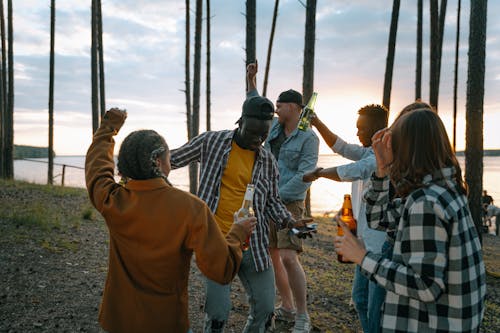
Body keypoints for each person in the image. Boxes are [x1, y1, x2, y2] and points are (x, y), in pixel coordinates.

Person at [85, 108, 256, 333]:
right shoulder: (191, 209)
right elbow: (221, 270)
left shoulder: (112, 200)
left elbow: (97, 170)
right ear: (157, 161)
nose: (170, 163)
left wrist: (108, 128)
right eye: (168, 157)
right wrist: (237, 232)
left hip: (118, 319)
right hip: (165, 321)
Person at [170, 92, 311, 333]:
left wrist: (291, 222)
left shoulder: (268, 161)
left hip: (252, 245)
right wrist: (140, 169)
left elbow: (273, 203)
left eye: (263, 136)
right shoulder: (212, 142)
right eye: (253, 133)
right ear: (240, 122)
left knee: (266, 311)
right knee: (217, 315)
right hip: (214, 242)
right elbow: (171, 159)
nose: (258, 140)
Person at [336, 108, 486, 332]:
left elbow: (425, 286)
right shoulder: (444, 188)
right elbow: (380, 219)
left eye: (395, 141)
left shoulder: (426, 202)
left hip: (436, 323)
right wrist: (381, 169)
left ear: (408, 148)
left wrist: (362, 257)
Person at [246, 62, 319, 332]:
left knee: (289, 256)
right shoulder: (274, 128)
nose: (276, 107)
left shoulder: (308, 139)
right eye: (276, 104)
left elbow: (305, 174)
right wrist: (251, 79)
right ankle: (286, 307)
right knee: (273, 255)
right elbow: (255, 103)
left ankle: (302, 315)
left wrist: (274, 196)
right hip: (267, 202)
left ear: (295, 108)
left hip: (290, 203)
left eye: (281, 104)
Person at [302, 104, 389, 333]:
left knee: (375, 308)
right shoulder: (369, 150)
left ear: (378, 128)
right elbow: (340, 146)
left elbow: (354, 170)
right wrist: (317, 122)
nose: (357, 132)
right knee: (360, 300)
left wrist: (318, 174)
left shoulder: (381, 158)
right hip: (363, 244)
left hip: (378, 247)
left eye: (362, 128)